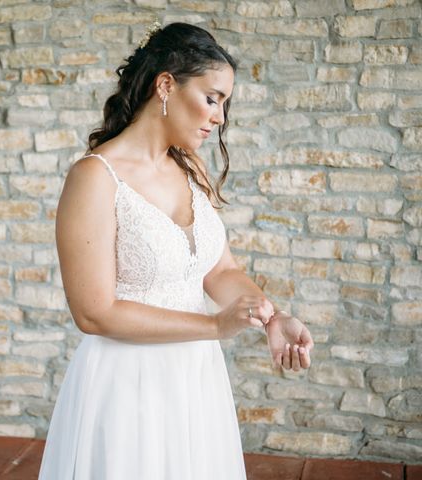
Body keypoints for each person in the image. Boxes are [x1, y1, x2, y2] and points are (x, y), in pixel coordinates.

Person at [38, 22, 314, 479]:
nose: (220, 117)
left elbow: (219, 270)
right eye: (213, 98)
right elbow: (93, 312)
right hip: (125, 383)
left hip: (195, 376)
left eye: (224, 103)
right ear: (166, 84)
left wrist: (272, 316)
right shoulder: (95, 177)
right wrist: (213, 324)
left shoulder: (192, 170)